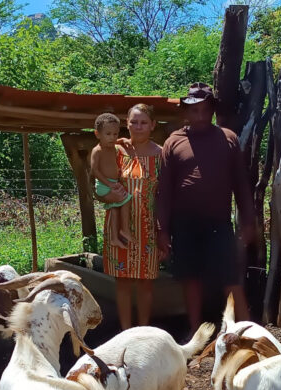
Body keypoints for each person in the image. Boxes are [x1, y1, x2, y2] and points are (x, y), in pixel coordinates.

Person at [157, 82, 256, 333]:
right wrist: (163, 230)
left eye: (204, 110)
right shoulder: (173, 143)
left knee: (230, 279)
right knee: (190, 281)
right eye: (194, 110)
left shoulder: (227, 138)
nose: (199, 115)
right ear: (185, 113)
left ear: (212, 110)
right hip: (184, 224)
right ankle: (195, 332)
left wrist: (248, 221)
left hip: (218, 223)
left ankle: (247, 333)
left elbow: (241, 184)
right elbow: (164, 191)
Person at [98, 104, 162, 329]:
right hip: (118, 226)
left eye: (144, 122)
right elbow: (98, 185)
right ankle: (126, 331)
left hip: (149, 226)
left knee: (146, 282)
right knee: (122, 281)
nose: (138, 126)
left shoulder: (161, 154)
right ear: (126, 123)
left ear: (153, 125)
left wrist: (165, 230)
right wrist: (106, 196)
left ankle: (143, 330)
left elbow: (166, 194)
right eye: (134, 121)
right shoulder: (115, 151)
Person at [91, 113, 133, 249]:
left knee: (115, 208)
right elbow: (94, 171)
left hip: (111, 183)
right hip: (104, 185)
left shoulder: (112, 146)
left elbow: (116, 141)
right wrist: (108, 184)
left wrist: (122, 140)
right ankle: (125, 229)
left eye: (115, 134)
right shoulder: (97, 150)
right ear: (97, 134)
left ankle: (115, 237)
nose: (112, 137)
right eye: (108, 134)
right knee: (126, 199)